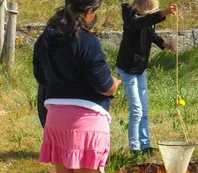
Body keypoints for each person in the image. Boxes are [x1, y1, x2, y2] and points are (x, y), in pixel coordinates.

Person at [33, 0, 121, 172]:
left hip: (55, 119)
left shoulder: (46, 38)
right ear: (89, 12)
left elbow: (41, 78)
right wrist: (115, 83)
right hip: (86, 122)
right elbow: (105, 86)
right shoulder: (87, 40)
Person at [116, 0, 177, 154]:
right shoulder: (131, 16)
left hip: (140, 68)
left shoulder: (147, 19)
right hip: (128, 68)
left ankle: (145, 145)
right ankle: (134, 148)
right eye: (153, 10)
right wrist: (163, 13)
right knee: (136, 109)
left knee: (144, 109)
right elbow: (141, 23)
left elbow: (151, 33)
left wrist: (164, 44)